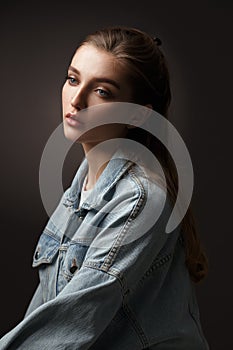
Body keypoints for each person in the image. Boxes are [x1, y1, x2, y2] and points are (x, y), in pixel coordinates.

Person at [0, 26, 209, 349]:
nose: (77, 99)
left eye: (102, 91)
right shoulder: (80, 189)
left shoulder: (140, 201)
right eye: (73, 79)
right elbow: (45, 315)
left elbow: (70, 320)